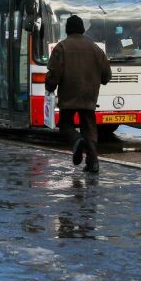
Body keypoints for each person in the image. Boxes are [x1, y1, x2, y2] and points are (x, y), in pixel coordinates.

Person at [45, 15, 112, 173]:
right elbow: (107, 76)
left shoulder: (61, 47)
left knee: (65, 125)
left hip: (68, 96)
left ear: (67, 29)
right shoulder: (95, 49)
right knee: (89, 129)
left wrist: (50, 87)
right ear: (82, 29)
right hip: (89, 96)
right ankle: (93, 163)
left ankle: (77, 141)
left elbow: (54, 74)